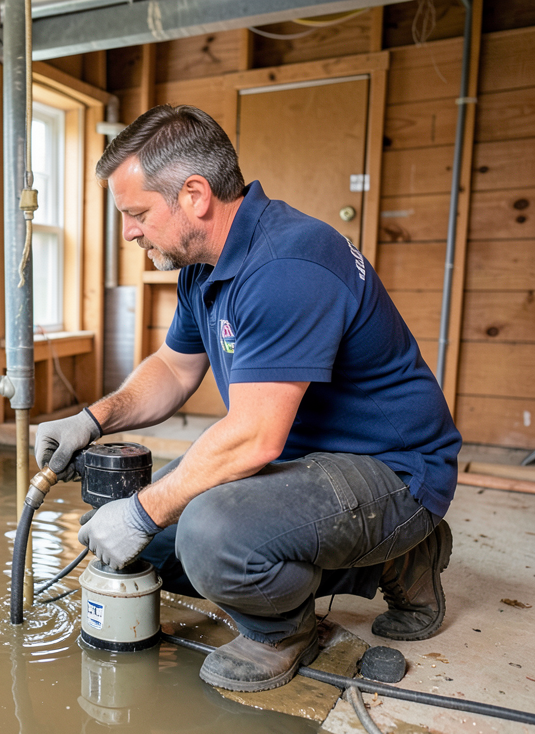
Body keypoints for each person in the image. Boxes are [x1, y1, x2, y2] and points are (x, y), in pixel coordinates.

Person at [35, 104, 462, 693]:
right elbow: (173, 369)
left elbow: (256, 436)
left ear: (193, 195)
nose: (129, 231)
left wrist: (142, 510)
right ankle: (369, 558)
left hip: (393, 469)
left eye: (136, 213)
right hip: (304, 462)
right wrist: (92, 418)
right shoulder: (200, 266)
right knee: (150, 549)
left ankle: (286, 628)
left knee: (209, 533)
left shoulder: (290, 262)